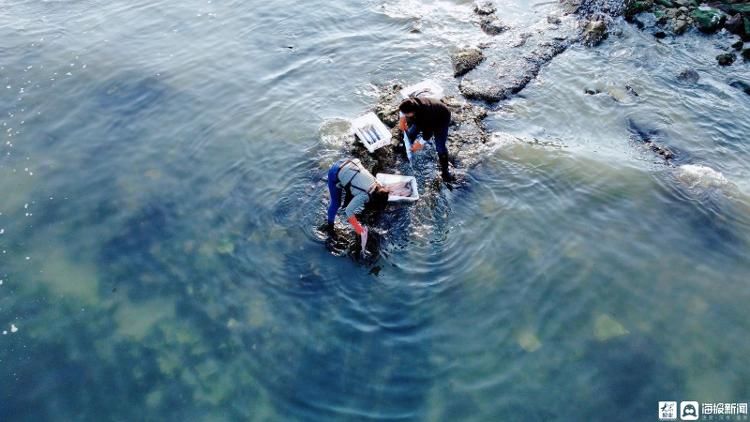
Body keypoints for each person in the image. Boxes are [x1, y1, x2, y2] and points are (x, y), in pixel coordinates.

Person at [325, 158, 390, 254]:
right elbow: (348, 212)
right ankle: (329, 226)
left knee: (353, 187)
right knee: (336, 203)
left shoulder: (377, 184)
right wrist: (358, 229)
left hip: (349, 161)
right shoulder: (364, 196)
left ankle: (346, 185)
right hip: (335, 171)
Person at [398, 97, 454, 181]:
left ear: (412, 112)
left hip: (442, 118)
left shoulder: (425, 116)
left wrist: (420, 144)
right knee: (411, 134)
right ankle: (406, 151)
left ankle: (445, 172)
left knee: (440, 146)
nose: (406, 116)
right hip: (426, 115)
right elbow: (402, 106)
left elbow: (428, 133)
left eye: (406, 115)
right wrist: (402, 119)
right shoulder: (409, 103)